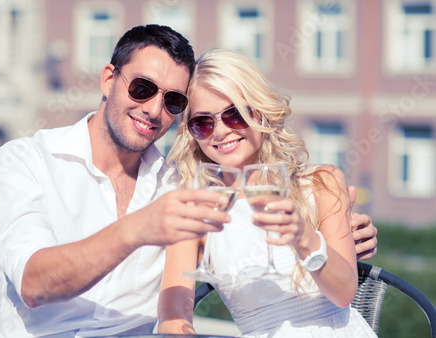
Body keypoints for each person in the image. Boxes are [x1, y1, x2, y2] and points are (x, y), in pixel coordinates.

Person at [0, 25, 376, 337]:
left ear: (261, 113)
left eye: (172, 101)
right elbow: (34, 284)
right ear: (107, 80)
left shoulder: (177, 186)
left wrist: (324, 232)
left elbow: (339, 285)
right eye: (141, 88)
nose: (153, 109)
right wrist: (138, 228)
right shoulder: (27, 160)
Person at [157, 48, 378, 337]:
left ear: (259, 111)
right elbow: (174, 314)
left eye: (234, 114)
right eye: (203, 122)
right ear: (192, 133)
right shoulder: (197, 209)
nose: (221, 132)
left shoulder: (321, 182)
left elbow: (344, 293)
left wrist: (303, 236)